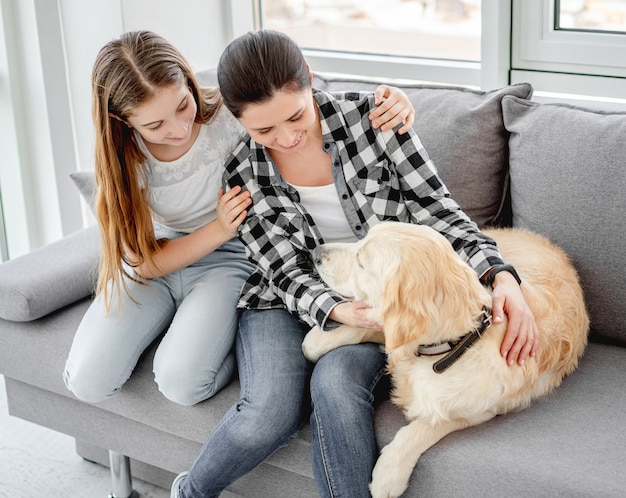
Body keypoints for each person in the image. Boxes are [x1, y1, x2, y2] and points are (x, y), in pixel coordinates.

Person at [171, 30, 538, 497]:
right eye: (263, 130)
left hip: (376, 295)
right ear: (239, 120)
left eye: (295, 115)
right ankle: (189, 492)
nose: (286, 138)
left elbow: (438, 213)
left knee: (337, 383)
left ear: (307, 77)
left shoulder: (376, 120)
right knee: (268, 411)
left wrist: (501, 275)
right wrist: (336, 310)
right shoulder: (243, 170)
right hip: (284, 299)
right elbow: (283, 271)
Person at [63, 30, 416, 407]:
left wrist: (392, 99)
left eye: (183, 106)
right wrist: (218, 227)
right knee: (87, 382)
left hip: (229, 258)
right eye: (154, 126)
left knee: (182, 384)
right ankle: (174, 325)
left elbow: (294, 96)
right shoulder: (119, 159)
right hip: (158, 260)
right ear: (122, 121)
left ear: (188, 79)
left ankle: (215, 346)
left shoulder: (230, 117)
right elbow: (144, 263)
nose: (179, 129)